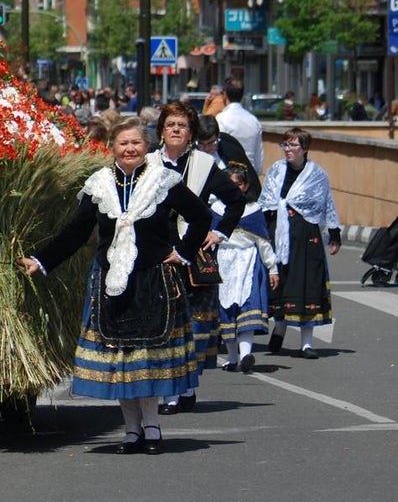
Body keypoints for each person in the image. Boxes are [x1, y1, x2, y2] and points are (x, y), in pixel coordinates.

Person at [17, 118, 211, 455]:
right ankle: (131, 431)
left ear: (147, 146)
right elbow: (76, 232)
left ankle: (152, 429)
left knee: (146, 358)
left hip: (153, 280)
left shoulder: (163, 181)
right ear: (113, 148)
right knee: (120, 359)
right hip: (111, 283)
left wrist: (182, 252)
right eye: (124, 144)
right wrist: (42, 260)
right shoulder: (99, 184)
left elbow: (201, 216)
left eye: (136, 143)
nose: (130, 149)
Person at [147, 102, 246, 416]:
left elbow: (236, 200)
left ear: (191, 134)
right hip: (156, 250)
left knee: (189, 325)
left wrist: (220, 234)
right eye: (171, 124)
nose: (176, 130)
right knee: (163, 323)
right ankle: (172, 391)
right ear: (161, 130)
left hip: (192, 252)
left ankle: (184, 388)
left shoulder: (203, 164)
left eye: (183, 125)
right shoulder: (148, 162)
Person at [259, 127, 340, 359]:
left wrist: (334, 236)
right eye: (285, 145)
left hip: (305, 235)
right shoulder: (276, 170)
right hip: (278, 233)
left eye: (293, 145)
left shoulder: (317, 175)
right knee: (279, 283)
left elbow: (327, 206)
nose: (288, 150)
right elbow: (267, 203)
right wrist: (261, 234)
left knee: (307, 285)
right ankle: (281, 326)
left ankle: (306, 343)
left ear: (304, 149)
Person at [213, 164, 279, 373]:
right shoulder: (215, 209)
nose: (234, 188)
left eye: (238, 184)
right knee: (226, 311)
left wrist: (272, 267)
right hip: (223, 261)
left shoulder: (253, 210)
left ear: (246, 186)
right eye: (230, 184)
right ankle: (232, 357)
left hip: (248, 262)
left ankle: (245, 355)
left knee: (247, 307)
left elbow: (263, 242)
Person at [216, 79, 264, 176]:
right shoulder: (253, 120)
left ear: (225, 95)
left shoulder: (221, 118)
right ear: (242, 96)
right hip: (250, 175)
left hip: (227, 176)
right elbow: (259, 154)